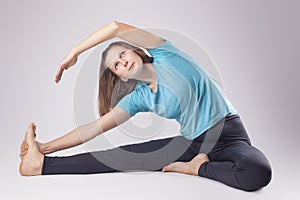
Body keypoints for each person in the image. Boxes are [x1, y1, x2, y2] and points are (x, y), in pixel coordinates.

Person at [19, 21, 272, 191]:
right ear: (121, 77)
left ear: (136, 51)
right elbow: (93, 129)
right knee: (117, 156)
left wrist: (76, 51)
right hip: (192, 142)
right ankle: (41, 165)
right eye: (115, 66)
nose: (122, 63)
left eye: (122, 55)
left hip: (230, 135)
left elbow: (116, 26)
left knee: (259, 172)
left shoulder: (166, 54)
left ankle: (197, 168)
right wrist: (43, 146)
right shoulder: (138, 98)